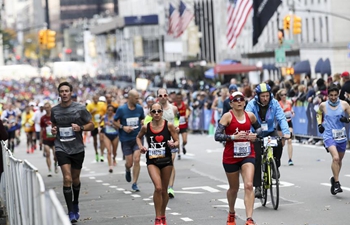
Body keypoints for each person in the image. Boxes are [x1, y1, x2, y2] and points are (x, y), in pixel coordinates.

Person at [51, 81, 94, 223]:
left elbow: (91, 125)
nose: (64, 94)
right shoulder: (55, 110)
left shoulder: (79, 109)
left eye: (66, 91)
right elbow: (54, 124)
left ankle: (75, 203)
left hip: (77, 148)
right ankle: (70, 211)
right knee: (67, 178)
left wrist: (80, 128)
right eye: (61, 91)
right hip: (61, 147)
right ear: (59, 93)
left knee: (75, 180)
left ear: (70, 93)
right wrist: (53, 130)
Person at [214, 91, 260, 225]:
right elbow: (217, 135)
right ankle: (231, 212)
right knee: (233, 188)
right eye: (236, 100)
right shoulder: (227, 117)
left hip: (248, 154)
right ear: (231, 103)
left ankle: (249, 219)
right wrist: (233, 137)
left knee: (249, 185)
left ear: (245, 102)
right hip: (230, 157)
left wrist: (255, 135)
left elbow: (259, 129)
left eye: (241, 99)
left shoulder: (250, 116)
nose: (239, 101)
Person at [136, 102, 179, 225]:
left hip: (166, 160)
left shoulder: (169, 126)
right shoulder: (146, 127)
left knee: (164, 190)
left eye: (159, 111)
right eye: (153, 111)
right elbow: (138, 137)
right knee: (158, 188)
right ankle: (157, 217)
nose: (156, 114)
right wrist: (141, 147)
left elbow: (177, 141)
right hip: (152, 160)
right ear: (150, 113)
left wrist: (173, 144)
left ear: (162, 112)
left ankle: (163, 214)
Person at [245, 83, 290, 198]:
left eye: (267, 96)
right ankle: (258, 187)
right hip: (256, 133)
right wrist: (251, 134)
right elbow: (247, 120)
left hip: (270, 131)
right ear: (258, 96)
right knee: (257, 158)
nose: (265, 99)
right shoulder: (251, 104)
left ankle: (276, 167)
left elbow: (281, 118)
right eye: (262, 96)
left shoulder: (274, 103)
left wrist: (286, 132)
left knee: (279, 143)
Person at [317, 85, 350, 195]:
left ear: (338, 94)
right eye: (331, 95)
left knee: (339, 160)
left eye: (335, 95)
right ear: (328, 95)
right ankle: (337, 183)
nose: (333, 97)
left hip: (341, 136)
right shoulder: (323, 105)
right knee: (335, 158)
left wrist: (347, 119)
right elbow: (318, 113)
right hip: (328, 135)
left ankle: (334, 179)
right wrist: (319, 125)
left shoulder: (344, 104)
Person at [113, 89, 145, 192]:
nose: (138, 100)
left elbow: (142, 119)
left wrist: (144, 123)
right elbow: (114, 122)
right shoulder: (121, 109)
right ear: (130, 98)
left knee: (137, 159)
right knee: (130, 163)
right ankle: (127, 169)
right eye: (136, 98)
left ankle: (135, 183)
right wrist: (123, 127)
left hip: (137, 138)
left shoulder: (140, 109)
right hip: (126, 139)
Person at [157, 88, 179, 199]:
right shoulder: (155, 109)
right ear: (158, 97)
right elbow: (148, 122)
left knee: (171, 161)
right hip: (159, 141)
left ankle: (170, 187)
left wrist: (177, 126)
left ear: (167, 96)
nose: (163, 97)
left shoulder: (173, 108)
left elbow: (177, 118)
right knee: (162, 164)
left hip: (171, 139)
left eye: (165, 95)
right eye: (160, 95)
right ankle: (162, 185)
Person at [276, 89, 295, 165]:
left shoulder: (289, 103)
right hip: (281, 124)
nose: (284, 96)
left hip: (289, 122)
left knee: (289, 140)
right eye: (282, 95)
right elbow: (277, 113)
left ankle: (290, 159)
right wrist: (284, 108)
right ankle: (278, 157)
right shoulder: (278, 103)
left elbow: (291, 110)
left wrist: (292, 112)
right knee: (282, 143)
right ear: (279, 96)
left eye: (285, 95)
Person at [40, 102, 58, 177]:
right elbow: (42, 129)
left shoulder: (54, 116)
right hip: (46, 138)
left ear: (50, 107)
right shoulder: (43, 118)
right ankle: (49, 170)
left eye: (48, 107)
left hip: (54, 138)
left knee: (55, 155)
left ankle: (55, 163)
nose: (47, 109)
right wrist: (40, 140)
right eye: (45, 107)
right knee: (47, 154)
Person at [86, 94, 105, 162]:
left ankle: (102, 154)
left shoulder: (102, 104)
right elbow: (86, 115)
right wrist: (92, 112)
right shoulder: (90, 105)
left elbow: (106, 111)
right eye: (94, 99)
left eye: (97, 98)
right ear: (93, 99)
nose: (96, 100)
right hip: (93, 125)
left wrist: (103, 116)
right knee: (95, 140)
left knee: (102, 139)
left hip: (101, 124)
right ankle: (96, 153)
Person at [102, 105, 119, 173]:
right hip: (107, 135)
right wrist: (102, 127)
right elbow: (100, 124)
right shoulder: (104, 117)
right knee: (109, 151)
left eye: (111, 110)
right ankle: (110, 166)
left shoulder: (116, 117)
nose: (110, 112)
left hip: (115, 135)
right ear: (107, 110)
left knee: (114, 151)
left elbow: (118, 127)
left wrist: (111, 124)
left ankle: (114, 158)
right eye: (109, 110)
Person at [173, 92, 190, 157]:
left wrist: (187, 115)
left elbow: (189, 110)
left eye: (180, 98)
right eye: (177, 98)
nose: (179, 99)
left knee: (185, 140)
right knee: (177, 140)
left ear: (181, 98)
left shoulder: (184, 104)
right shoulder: (173, 105)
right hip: (176, 125)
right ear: (176, 98)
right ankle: (179, 153)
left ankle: (183, 145)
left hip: (184, 124)